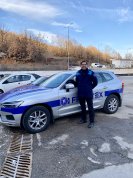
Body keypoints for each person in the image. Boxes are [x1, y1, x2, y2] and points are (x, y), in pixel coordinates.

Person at [76, 61, 98, 128]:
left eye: (85, 64)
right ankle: (84, 119)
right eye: (82, 64)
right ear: (80, 65)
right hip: (80, 93)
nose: (83, 65)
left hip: (88, 93)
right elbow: (77, 82)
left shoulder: (90, 72)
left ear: (87, 65)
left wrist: (90, 87)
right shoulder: (78, 73)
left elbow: (95, 82)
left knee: (90, 108)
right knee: (83, 108)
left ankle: (92, 122)